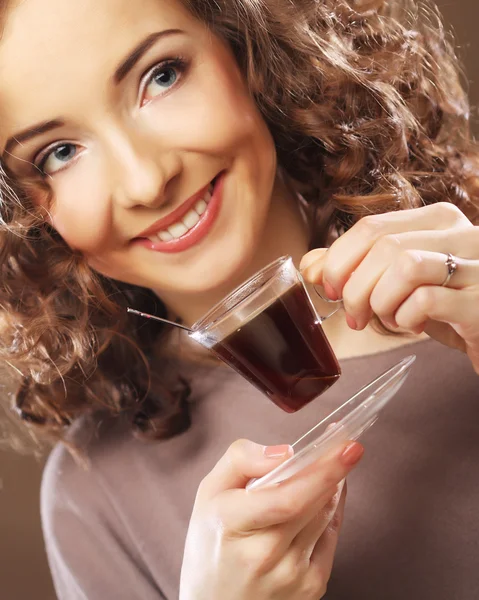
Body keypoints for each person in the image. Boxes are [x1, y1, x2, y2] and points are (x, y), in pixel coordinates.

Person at [0, 0, 478, 598]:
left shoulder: (468, 253)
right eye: (60, 154)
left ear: (249, 48)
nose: (147, 180)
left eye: (161, 76)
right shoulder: (96, 497)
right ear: (24, 219)